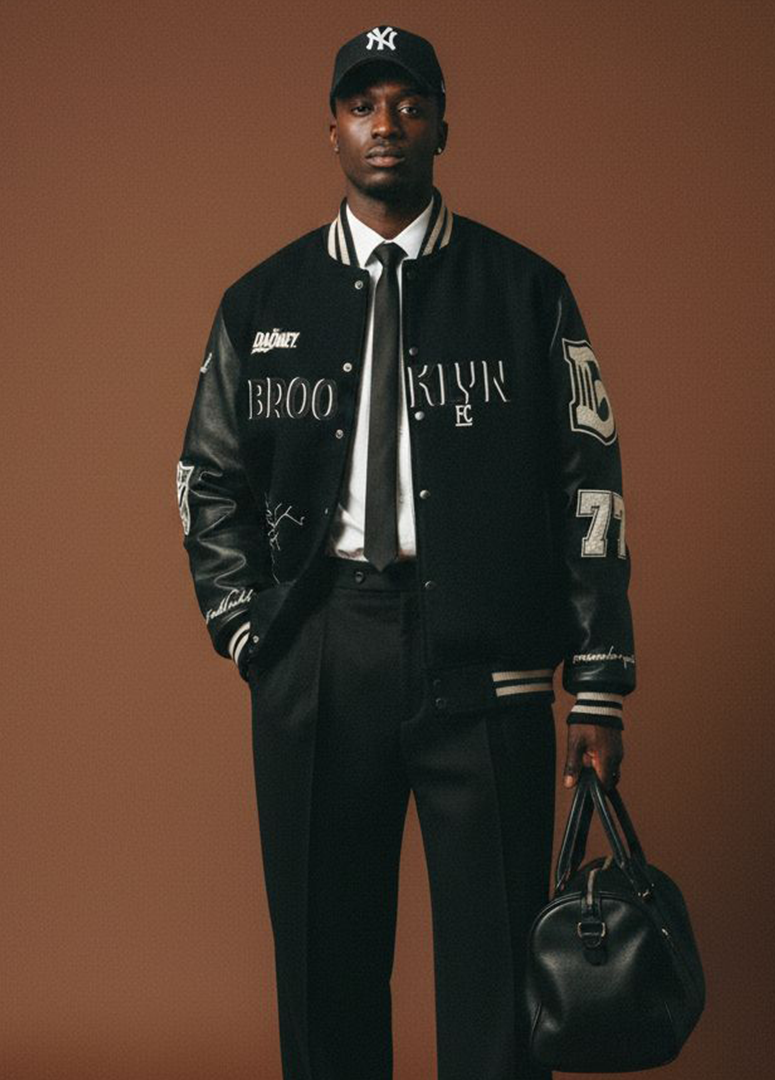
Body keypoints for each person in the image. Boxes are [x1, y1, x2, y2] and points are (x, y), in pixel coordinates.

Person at [176, 24, 636, 1080]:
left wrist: (599, 686)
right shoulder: (263, 303)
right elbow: (208, 479)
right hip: (322, 650)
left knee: (500, 967)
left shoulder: (526, 292)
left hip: (488, 664)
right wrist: (256, 638)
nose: (386, 125)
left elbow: (592, 480)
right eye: (363, 105)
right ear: (331, 130)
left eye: (409, 103)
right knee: (323, 962)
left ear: (441, 126)